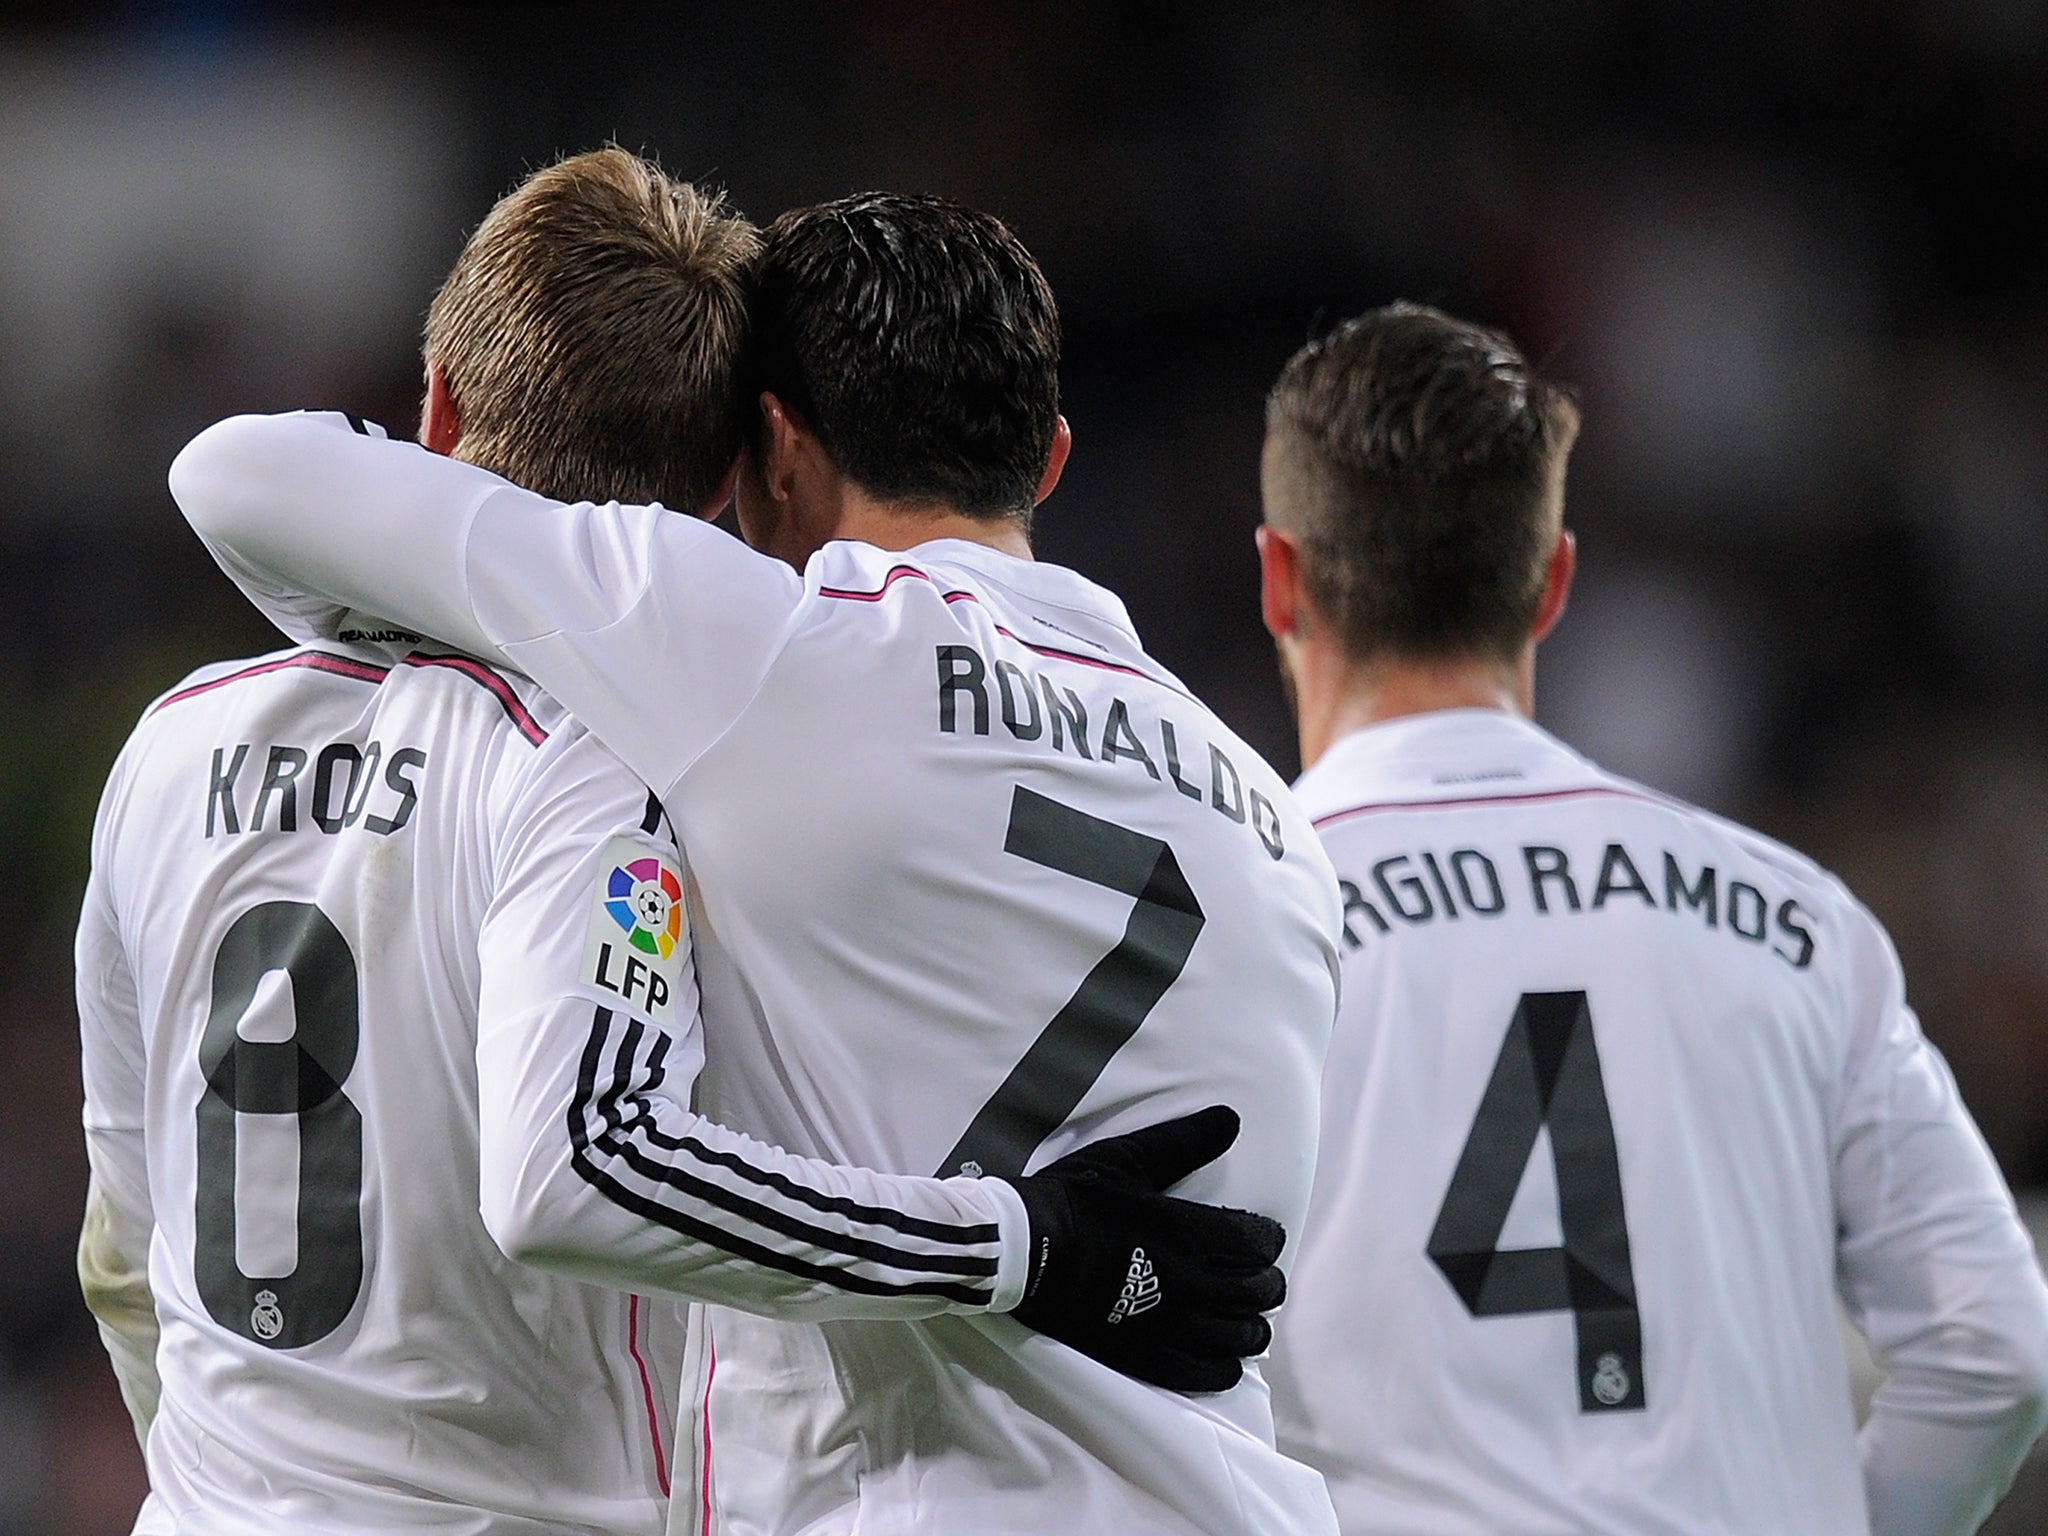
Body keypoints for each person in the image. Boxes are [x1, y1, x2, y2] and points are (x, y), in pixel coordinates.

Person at [79, 153, 1290, 1536]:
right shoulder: (613, 775)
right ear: (731, 480)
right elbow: (591, 1168)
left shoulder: (169, 747)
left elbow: (126, 1247)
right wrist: (1025, 1246)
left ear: (436, 404)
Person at [1253, 301, 2048, 1535]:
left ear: (1277, 578)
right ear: (1553, 580)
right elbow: (1993, 1349)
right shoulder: (1795, 920)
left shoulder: (1233, 923)